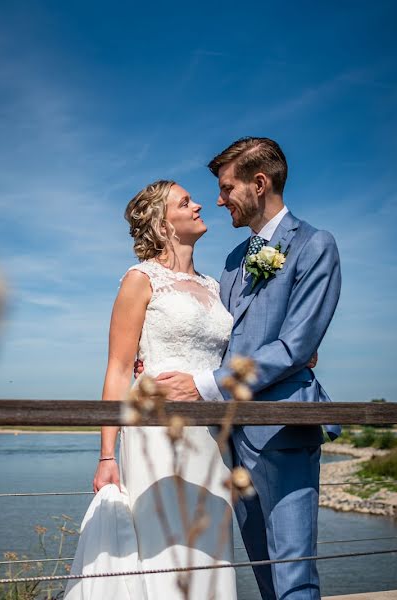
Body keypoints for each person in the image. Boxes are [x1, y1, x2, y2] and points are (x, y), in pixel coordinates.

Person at [143, 137, 342, 600]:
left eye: (226, 187)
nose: (217, 200)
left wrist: (205, 385)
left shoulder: (315, 245)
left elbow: (295, 345)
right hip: (229, 438)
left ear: (259, 183)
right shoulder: (233, 259)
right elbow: (219, 336)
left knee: (294, 573)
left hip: (283, 428)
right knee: (263, 572)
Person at [66, 179, 238, 600]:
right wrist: (107, 454)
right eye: (185, 201)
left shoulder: (216, 287)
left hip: (213, 437)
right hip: (157, 433)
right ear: (163, 225)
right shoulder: (139, 280)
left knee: (211, 552)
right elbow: (118, 368)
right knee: (166, 550)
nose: (199, 204)